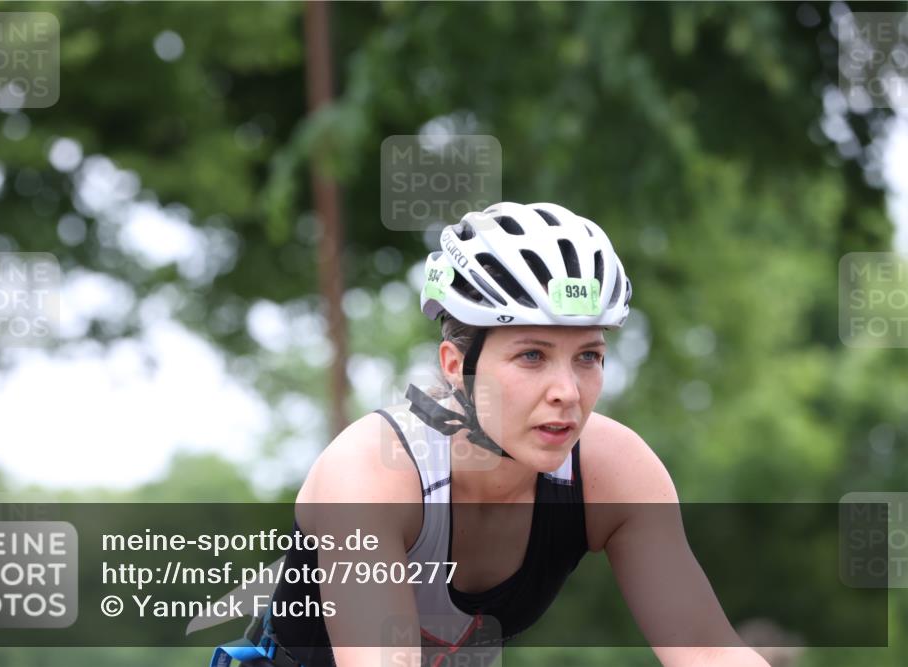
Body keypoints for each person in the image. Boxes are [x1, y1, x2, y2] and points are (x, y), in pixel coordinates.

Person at [210, 202, 770, 667]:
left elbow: (711, 654)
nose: (568, 392)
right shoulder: (372, 472)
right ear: (456, 366)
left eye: (589, 357)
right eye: (532, 356)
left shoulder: (613, 468)